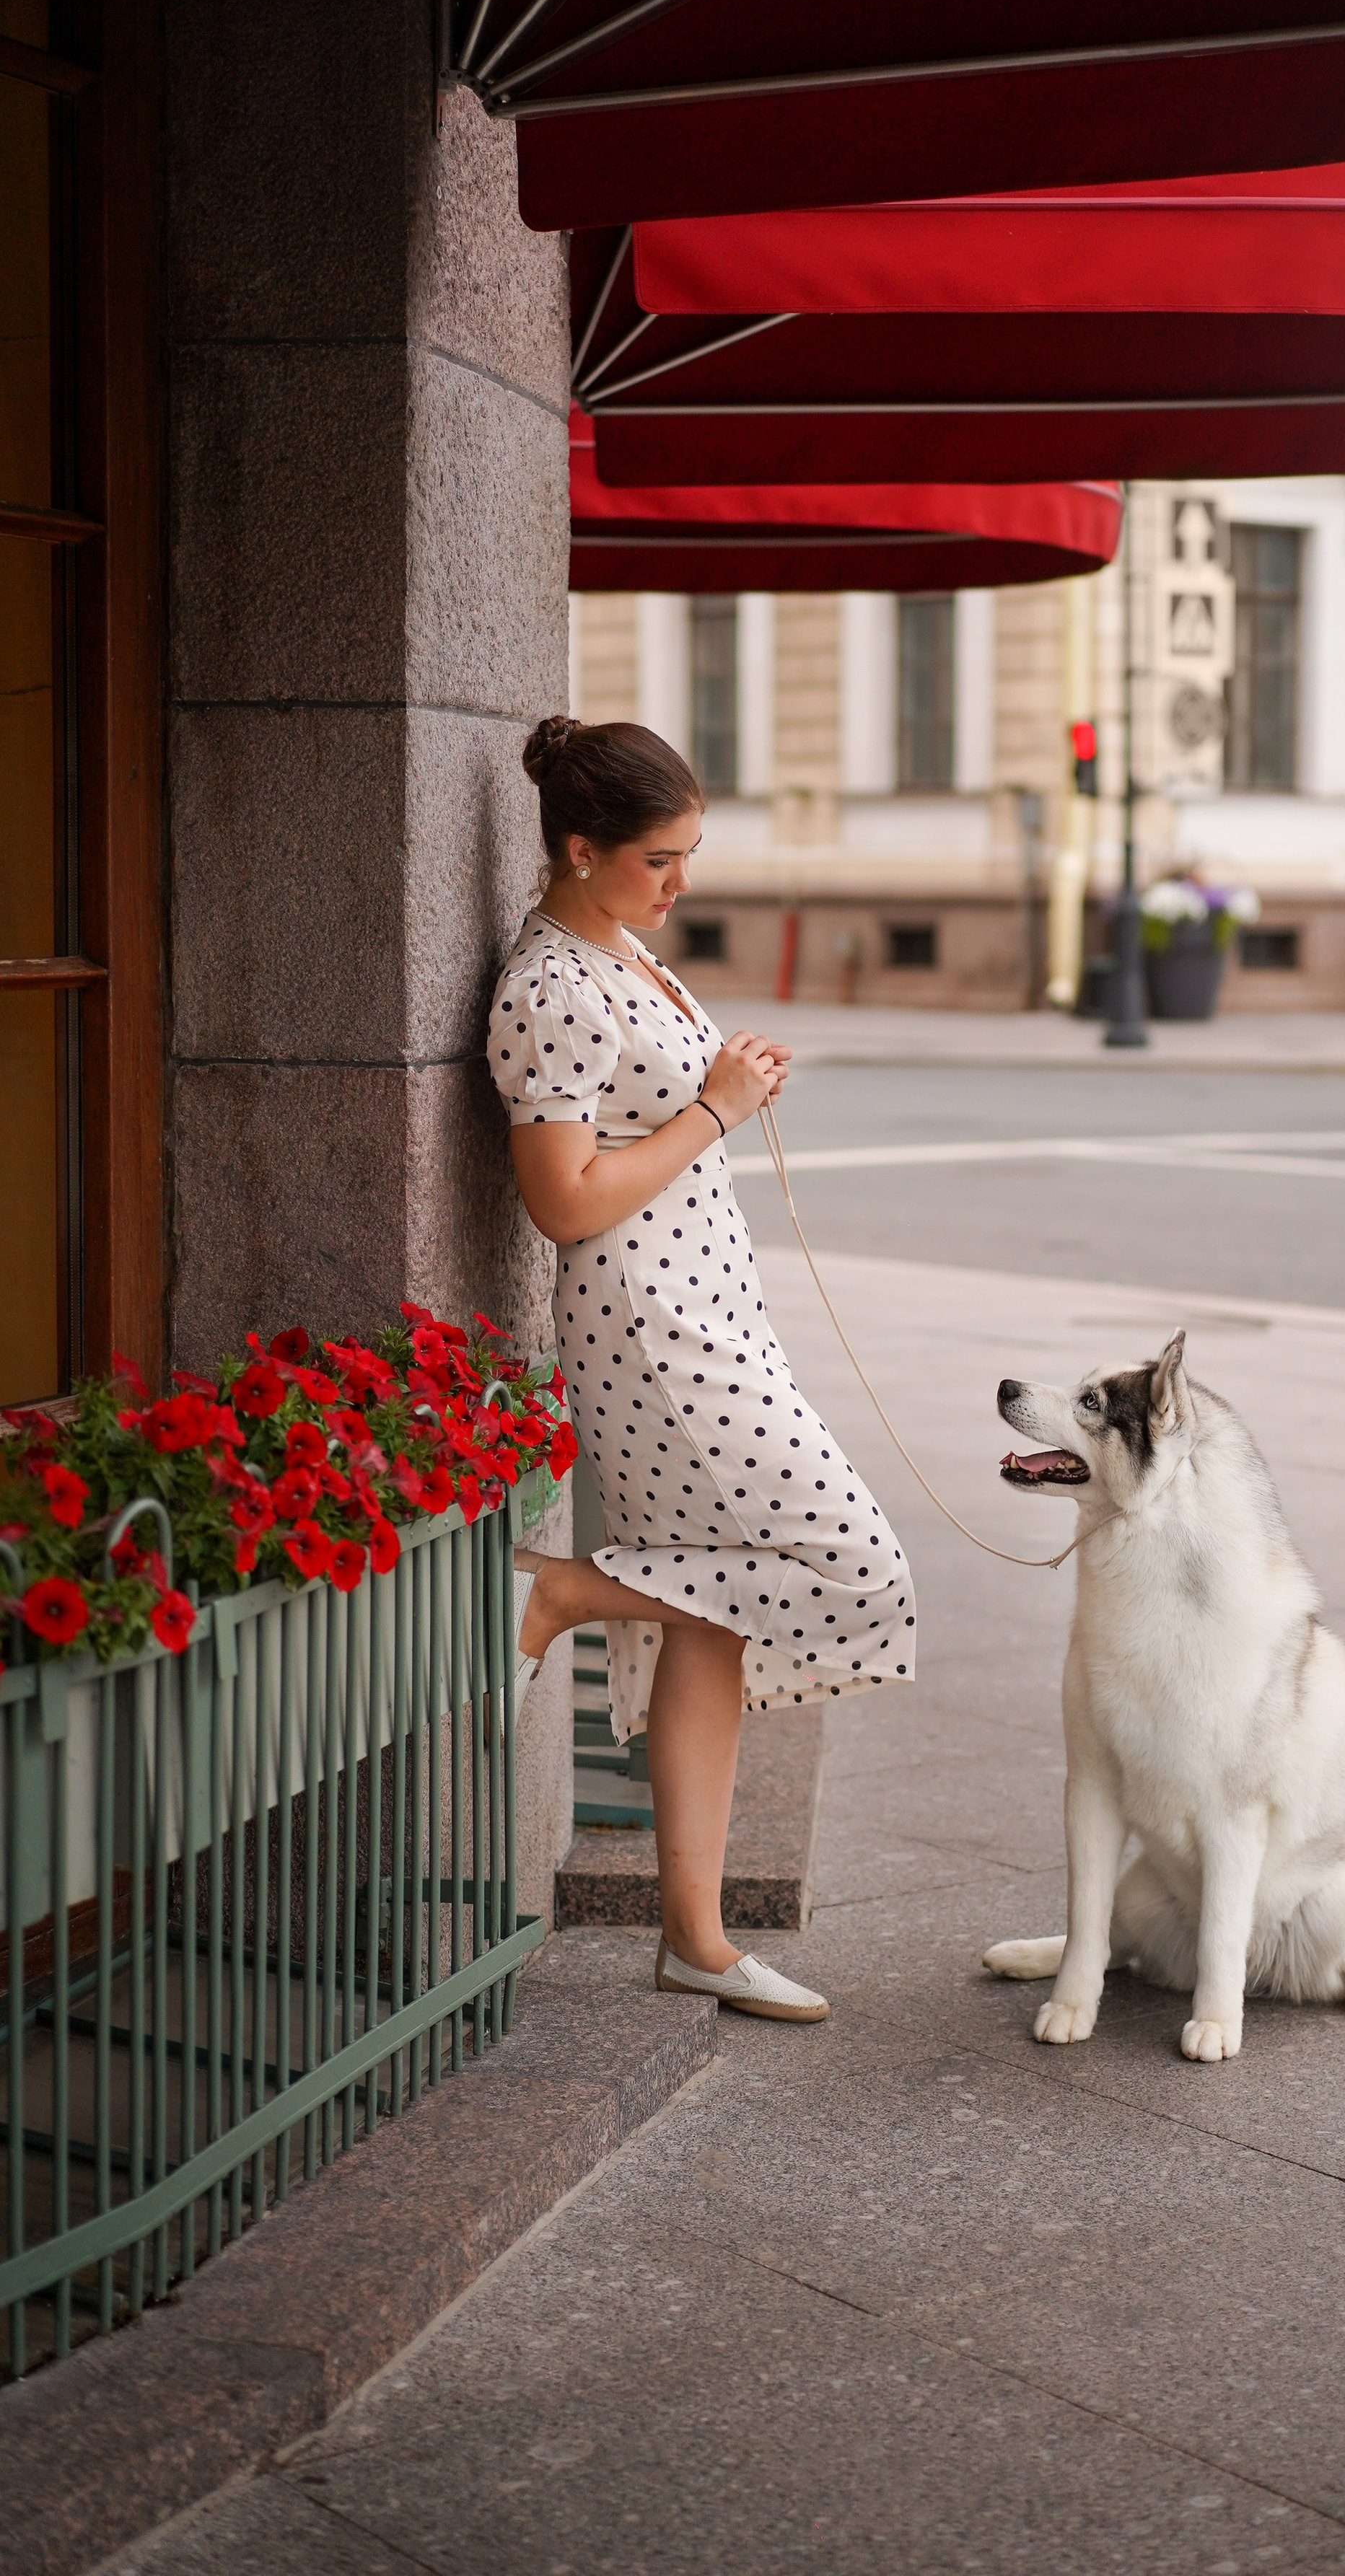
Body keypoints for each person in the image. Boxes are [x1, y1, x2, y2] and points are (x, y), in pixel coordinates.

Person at [491, 716, 914, 2023]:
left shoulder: (622, 951)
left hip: (711, 1311)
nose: (682, 884)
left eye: (688, 855)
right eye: (660, 860)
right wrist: (715, 1108)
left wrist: (721, 1092)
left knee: (718, 1621)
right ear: (581, 848)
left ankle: (696, 1939)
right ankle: (564, 1589)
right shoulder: (553, 983)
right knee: (854, 1562)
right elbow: (563, 1202)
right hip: (655, 1332)